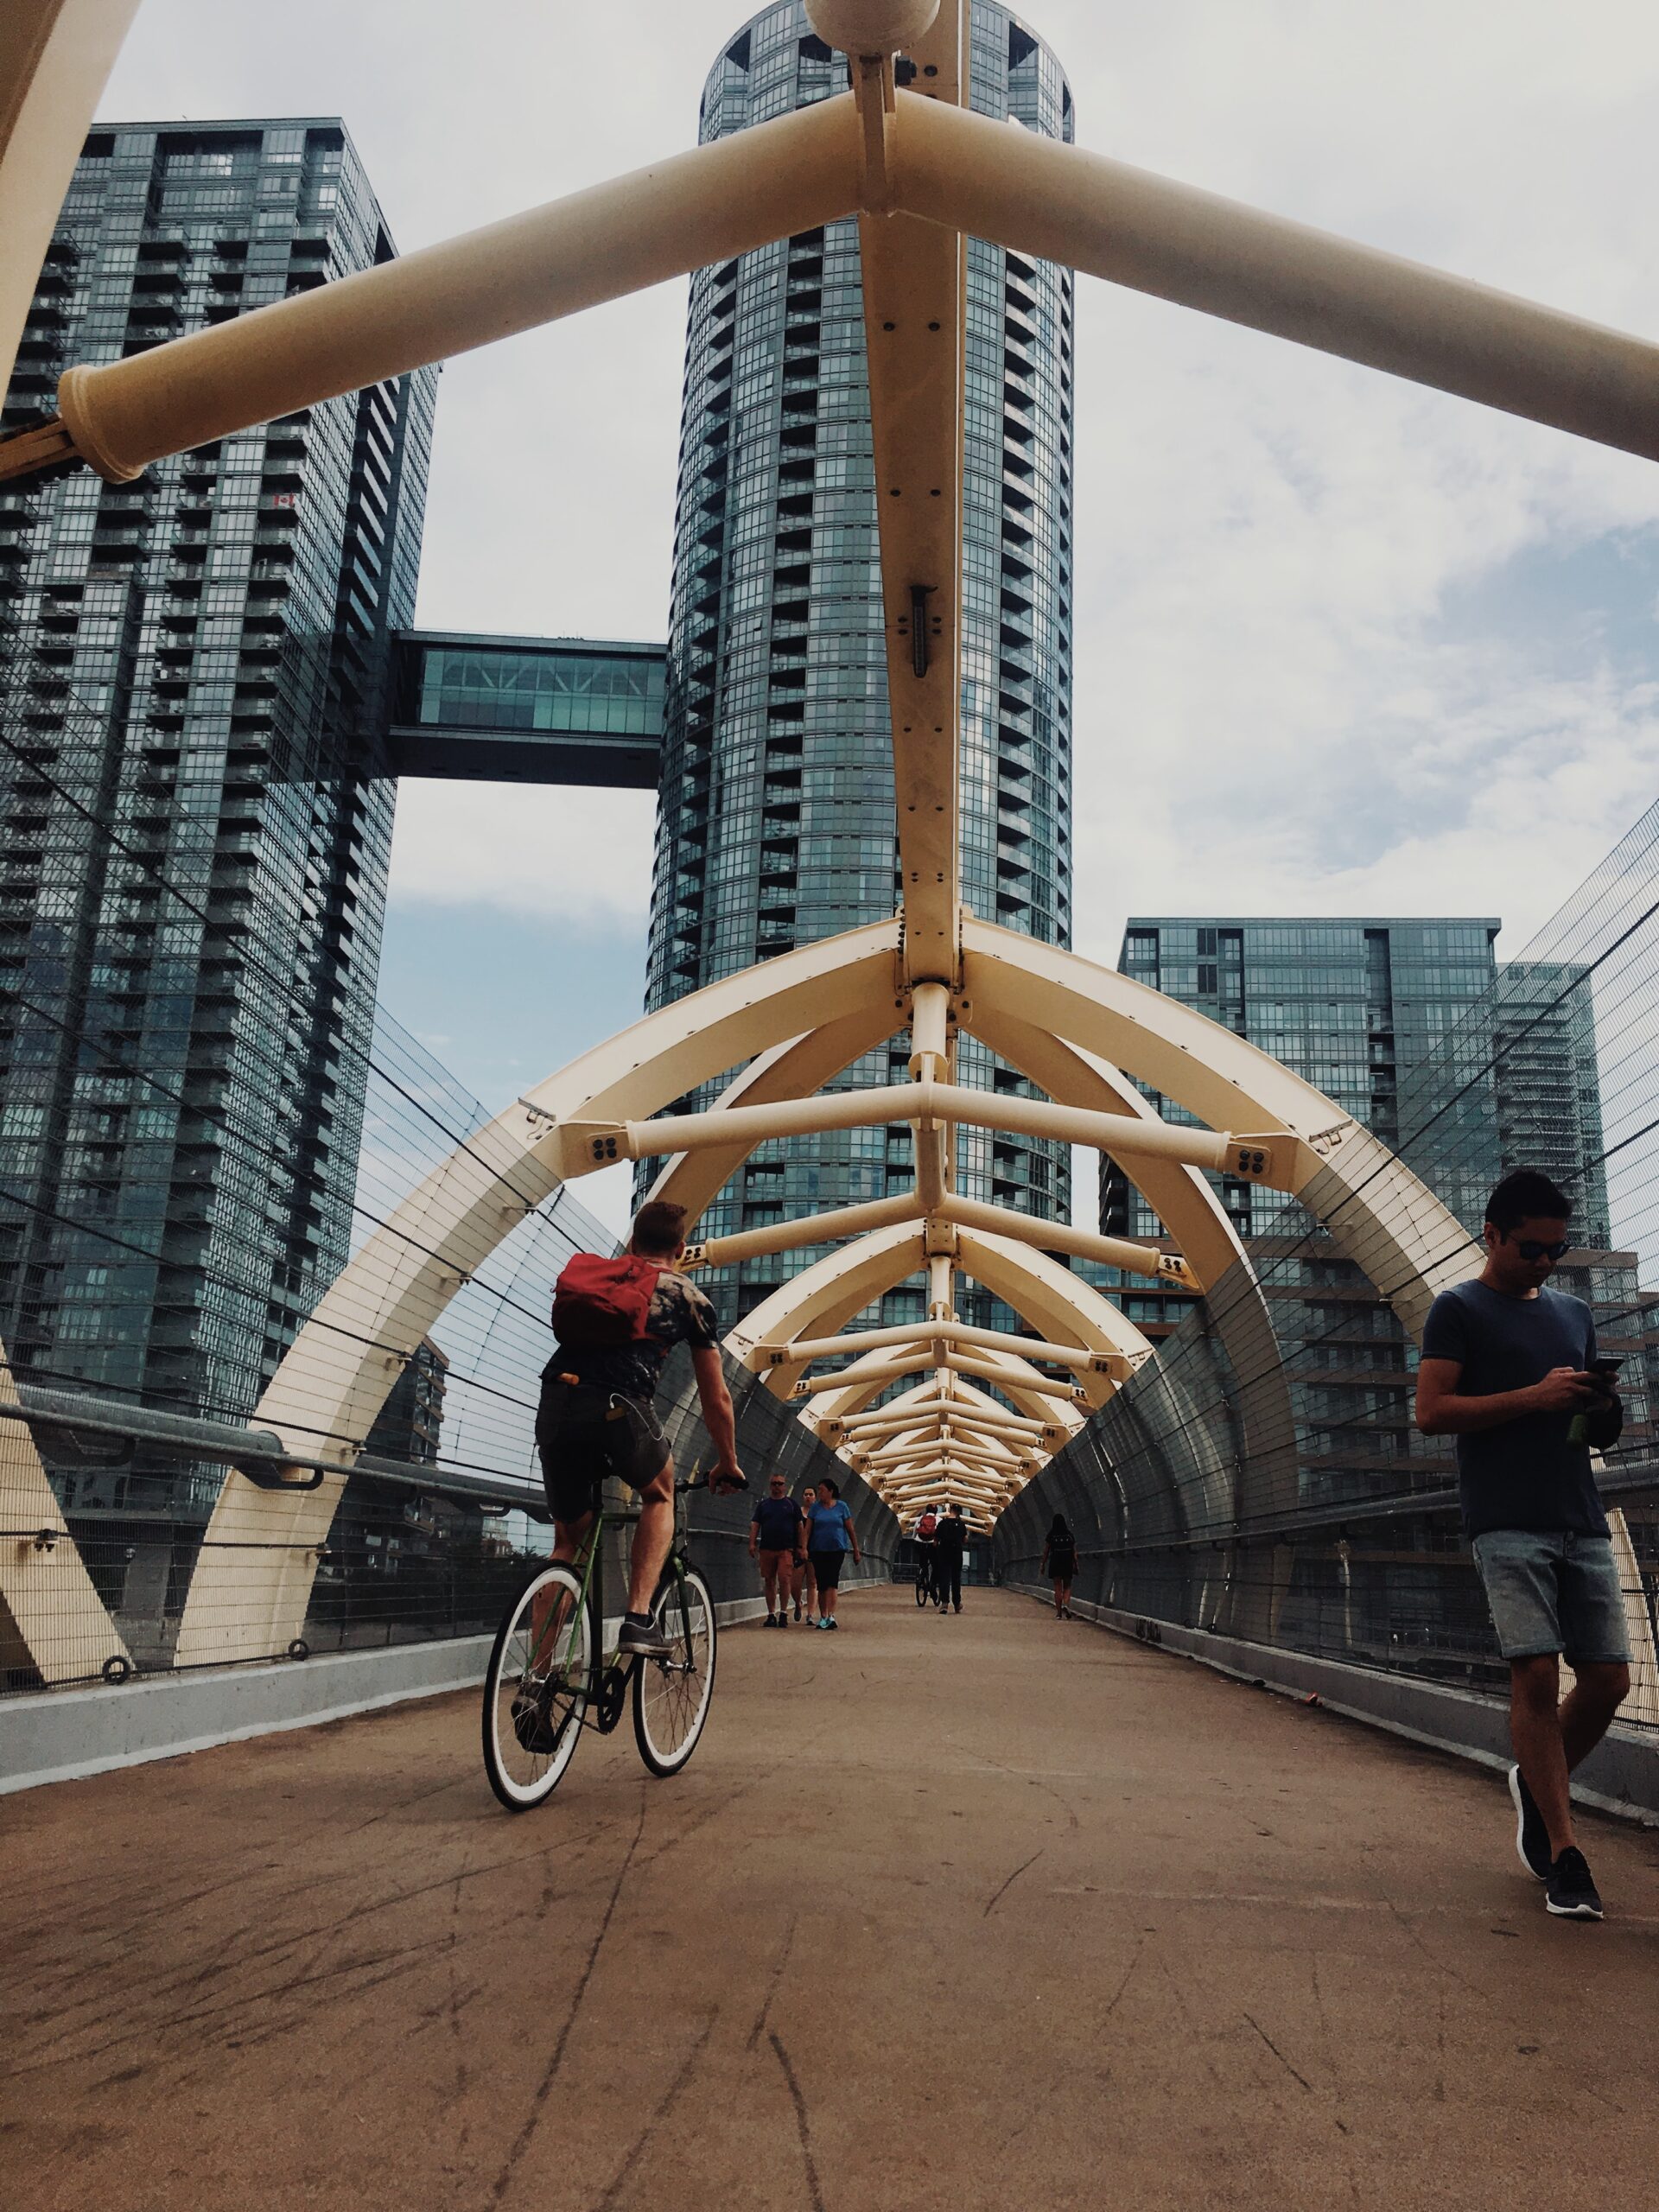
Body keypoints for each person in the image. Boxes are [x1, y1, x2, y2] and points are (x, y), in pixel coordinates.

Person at [1415, 1168, 1629, 1922]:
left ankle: (1535, 1785)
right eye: (1531, 1249)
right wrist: (1533, 1397)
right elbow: (1433, 1412)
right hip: (1504, 1519)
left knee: (1608, 1680)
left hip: (1579, 1513)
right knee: (1535, 1675)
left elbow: (1586, 1430)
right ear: (1493, 1234)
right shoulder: (1458, 1309)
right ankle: (1565, 1854)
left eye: (1556, 1251)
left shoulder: (1573, 1312)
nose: (1544, 1263)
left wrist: (1598, 1409)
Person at [535, 1199, 743, 1659]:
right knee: (659, 1492)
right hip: (619, 1406)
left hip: (556, 1402)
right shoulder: (689, 1298)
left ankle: (537, 1678)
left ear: (632, 1242)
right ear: (682, 1248)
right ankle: (638, 1616)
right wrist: (727, 1461)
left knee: (567, 1544)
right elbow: (717, 1399)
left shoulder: (600, 1278)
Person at [750, 1471, 804, 1626]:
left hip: (786, 1549)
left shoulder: (791, 1505)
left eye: (780, 1484)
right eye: (774, 1484)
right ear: (770, 1486)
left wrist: (801, 1547)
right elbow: (755, 1524)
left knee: (784, 1579)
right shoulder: (763, 1505)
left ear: (785, 1487)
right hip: (767, 1548)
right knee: (769, 1580)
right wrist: (752, 1543)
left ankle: (783, 1612)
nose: (777, 1487)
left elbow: (800, 1527)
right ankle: (771, 1613)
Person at [805, 1477, 861, 1629]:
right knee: (822, 1584)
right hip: (818, 1549)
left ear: (830, 1491)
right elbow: (807, 1530)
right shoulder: (815, 1508)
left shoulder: (842, 1507)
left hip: (837, 1549)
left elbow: (850, 1529)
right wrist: (804, 1547)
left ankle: (831, 1615)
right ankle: (823, 1615)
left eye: (822, 1490)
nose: (820, 1493)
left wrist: (856, 1549)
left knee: (832, 1581)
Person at [791, 1480, 818, 1623]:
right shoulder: (798, 1513)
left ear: (815, 1497)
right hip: (799, 1551)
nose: (808, 1497)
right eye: (806, 1494)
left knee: (812, 1583)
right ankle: (798, 1603)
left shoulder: (819, 1514)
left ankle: (810, 1615)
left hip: (814, 1551)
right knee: (795, 1584)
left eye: (811, 1494)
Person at [1041, 1513, 1077, 1618]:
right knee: (1067, 1586)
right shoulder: (1069, 1535)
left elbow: (1046, 1551)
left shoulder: (1051, 1534)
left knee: (1057, 1587)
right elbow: (1074, 1551)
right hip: (1067, 1562)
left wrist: (1043, 1564)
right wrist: (1076, 1564)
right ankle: (1066, 1605)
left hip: (1055, 1561)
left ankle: (1059, 1613)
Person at [933, 1502, 966, 1613]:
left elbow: (935, 1540)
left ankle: (944, 1604)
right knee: (956, 1578)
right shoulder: (961, 1525)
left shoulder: (942, 1523)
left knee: (944, 1578)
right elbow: (965, 1539)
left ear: (950, 1511)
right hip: (957, 1553)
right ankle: (957, 1604)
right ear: (959, 1513)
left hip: (944, 1553)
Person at [912, 1503, 939, 1604]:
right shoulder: (939, 1520)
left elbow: (914, 1532)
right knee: (936, 1566)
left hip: (920, 1544)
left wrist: (914, 1540)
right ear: (936, 1511)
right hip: (932, 1545)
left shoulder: (920, 1519)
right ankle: (933, 1585)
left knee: (923, 1563)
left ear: (926, 1511)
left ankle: (921, 1577)